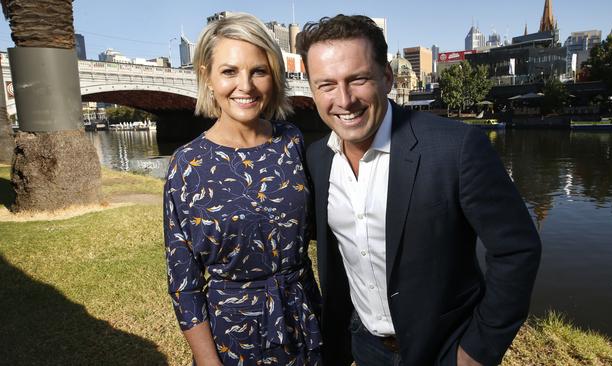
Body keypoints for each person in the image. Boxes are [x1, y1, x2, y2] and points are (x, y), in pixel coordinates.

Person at [296, 15, 541, 366]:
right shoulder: (316, 159)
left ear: (387, 78)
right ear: (312, 89)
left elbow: (517, 250)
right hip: (363, 345)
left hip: (445, 348)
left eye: (358, 79)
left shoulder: (456, 148)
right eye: (326, 85)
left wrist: (477, 351)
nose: (344, 99)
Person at [163, 13, 322, 366]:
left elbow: (319, 230)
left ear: (274, 76)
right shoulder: (187, 165)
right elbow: (183, 284)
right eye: (230, 71)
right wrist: (208, 361)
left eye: (258, 71)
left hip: (305, 324)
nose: (245, 86)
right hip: (232, 340)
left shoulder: (291, 141)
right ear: (207, 76)